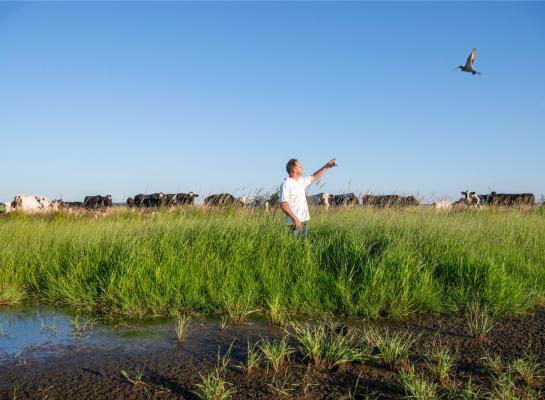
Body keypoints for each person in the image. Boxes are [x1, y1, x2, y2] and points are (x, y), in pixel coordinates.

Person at [279, 158, 337, 240]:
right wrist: (296, 220)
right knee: (294, 247)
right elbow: (283, 205)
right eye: (300, 166)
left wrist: (326, 166)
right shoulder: (286, 184)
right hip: (294, 223)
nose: (302, 167)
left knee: (302, 247)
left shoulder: (300, 182)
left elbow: (314, 176)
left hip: (304, 220)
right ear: (294, 169)